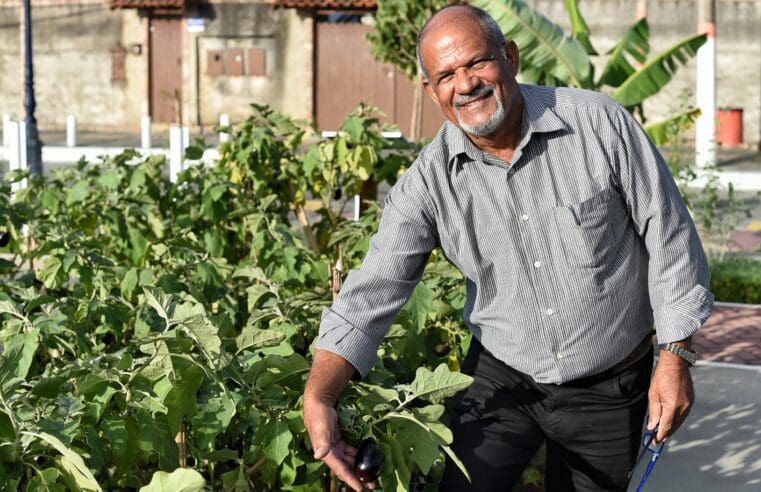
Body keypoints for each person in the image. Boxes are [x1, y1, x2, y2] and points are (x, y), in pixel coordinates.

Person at [303, 4, 714, 491]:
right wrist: (320, 396)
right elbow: (373, 290)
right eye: (447, 75)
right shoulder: (429, 184)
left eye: (477, 62)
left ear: (511, 57)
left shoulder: (599, 125)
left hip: (610, 385)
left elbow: (669, 236)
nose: (466, 84)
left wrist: (674, 359)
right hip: (503, 379)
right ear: (431, 92)